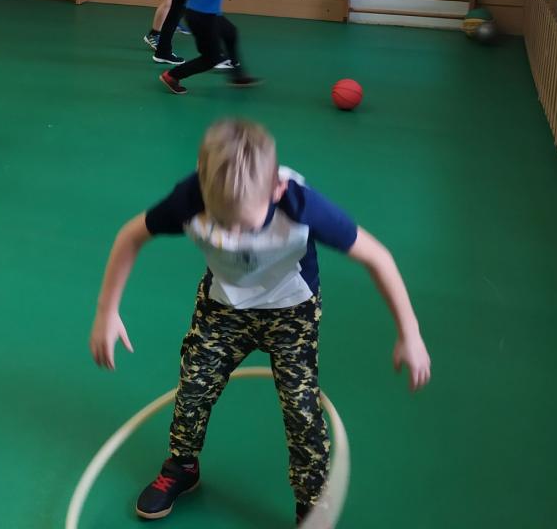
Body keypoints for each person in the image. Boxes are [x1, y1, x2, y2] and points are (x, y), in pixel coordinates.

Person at [89, 118, 431, 523]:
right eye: (223, 222)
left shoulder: (302, 206)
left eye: (247, 225)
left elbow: (378, 257)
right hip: (224, 307)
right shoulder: (189, 197)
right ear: (202, 182)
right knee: (194, 384)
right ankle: (182, 465)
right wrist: (106, 312)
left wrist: (410, 333)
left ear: (277, 190)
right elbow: (130, 236)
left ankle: (310, 502)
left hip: (292, 311)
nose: (236, 234)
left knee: (301, 409)